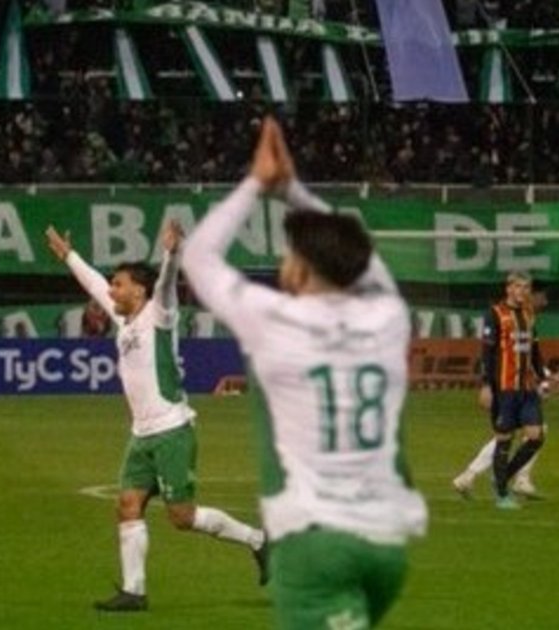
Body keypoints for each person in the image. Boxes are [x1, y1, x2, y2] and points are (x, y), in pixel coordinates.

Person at [181, 117, 427, 629]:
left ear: (300, 268)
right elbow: (363, 259)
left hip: (316, 543)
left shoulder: (274, 320)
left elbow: (199, 256)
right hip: (386, 543)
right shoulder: (388, 316)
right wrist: (294, 190)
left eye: (289, 255)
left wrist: (257, 183)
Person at [44, 220, 269, 613]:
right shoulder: (123, 319)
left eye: (118, 284)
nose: (110, 290)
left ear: (138, 290)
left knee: (182, 517)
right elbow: (93, 284)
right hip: (141, 436)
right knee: (127, 505)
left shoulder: (159, 315)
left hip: (171, 431)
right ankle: (134, 592)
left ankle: (259, 541)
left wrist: (172, 253)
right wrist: (70, 257)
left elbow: (165, 285)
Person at [451, 271, 550, 509]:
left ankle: (502, 477)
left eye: (526, 287)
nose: (522, 291)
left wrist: (544, 377)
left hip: (527, 388)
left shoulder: (528, 313)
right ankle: (502, 496)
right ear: (508, 289)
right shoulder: (495, 314)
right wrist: (486, 385)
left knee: (536, 436)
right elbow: (487, 352)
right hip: (504, 388)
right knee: (504, 439)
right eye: (518, 287)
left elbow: (534, 350)